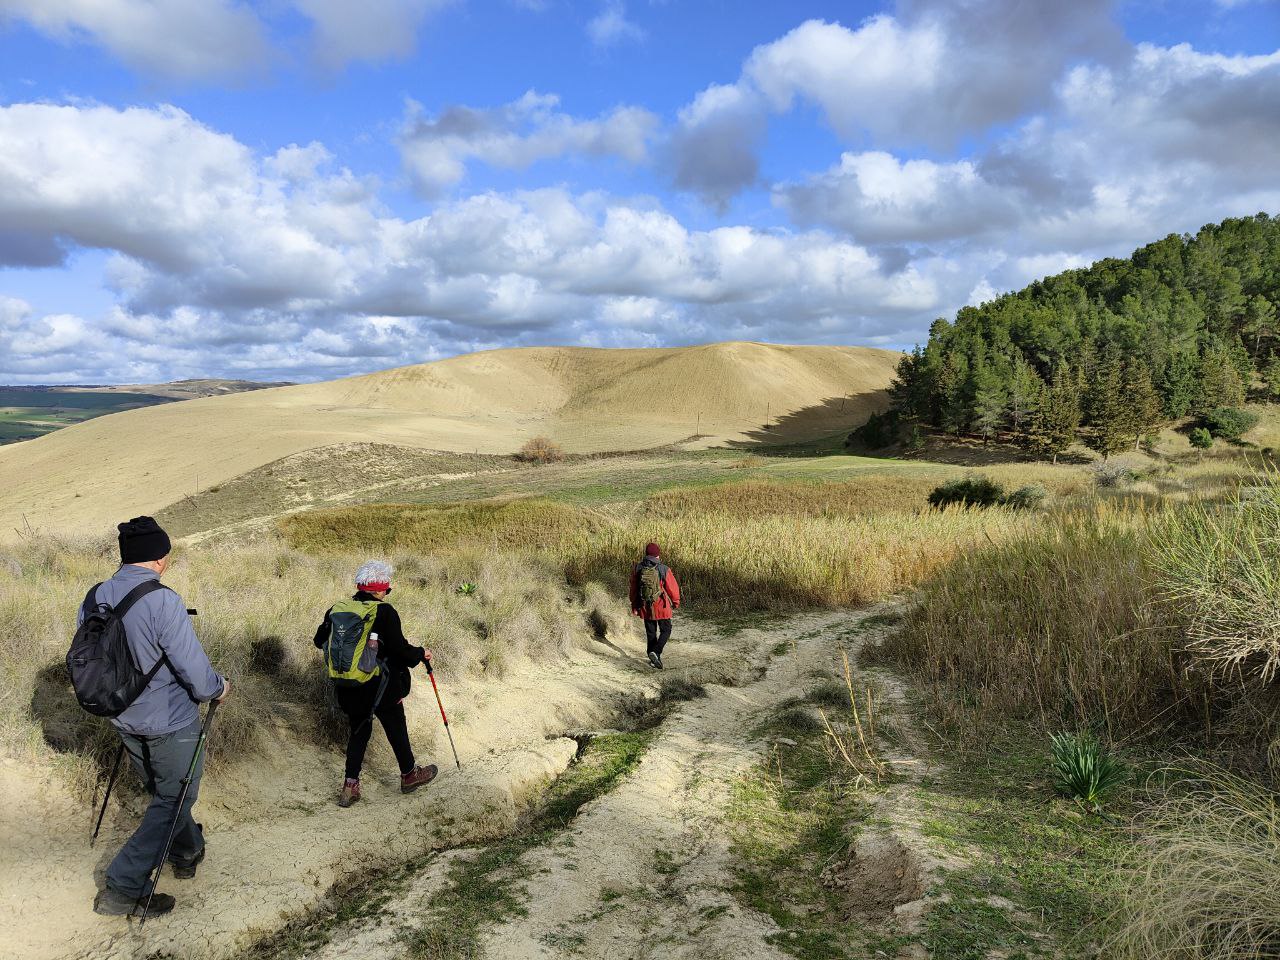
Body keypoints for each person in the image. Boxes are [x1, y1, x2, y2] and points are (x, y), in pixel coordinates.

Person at [85, 517, 229, 918]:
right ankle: (124, 886)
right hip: (169, 719)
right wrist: (220, 688)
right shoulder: (163, 600)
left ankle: (187, 850)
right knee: (175, 797)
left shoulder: (95, 595)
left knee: (165, 794)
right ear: (160, 558)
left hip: (121, 714)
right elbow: (196, 674)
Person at [313, 560, 437, 807]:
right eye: (387, 590)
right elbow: (401, 651)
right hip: (381, 686)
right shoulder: (384, 612)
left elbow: (318, 641)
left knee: (358, 731)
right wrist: (421, 653)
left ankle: (350, 786)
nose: (386, 594)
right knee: (395, 727)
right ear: (380, 590)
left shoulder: (336, 609)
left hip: (348, 685)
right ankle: (409, 775)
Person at [630, 542, 681, 669]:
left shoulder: (638, 568)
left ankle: (653, 659)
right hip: (661, 606)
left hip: (645, 606)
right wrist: (676, 602)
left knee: (651, 633)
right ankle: (656, 653)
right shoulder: (663, 568)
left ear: (646, 554)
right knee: (666, 630)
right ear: (657, 554)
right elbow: (672, 588)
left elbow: (633, 590)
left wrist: (634, 605)